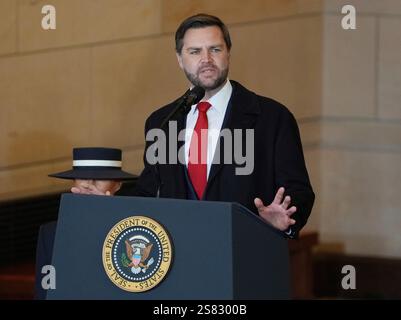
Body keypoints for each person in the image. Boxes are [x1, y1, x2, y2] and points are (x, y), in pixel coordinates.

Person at [73, 14, 315, 240]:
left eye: (215, 49)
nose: (206, 60)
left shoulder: (272, 117)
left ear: (228, 53)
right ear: (180, 59)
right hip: (178, 260)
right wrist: (106, 206)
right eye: (195, 51)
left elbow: (298, 191)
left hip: (246, 253)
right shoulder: (162, 122)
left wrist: (283, 220)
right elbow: (148, 195)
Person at [34, 147, 137, 299]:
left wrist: (111, 217)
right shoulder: (51, 232)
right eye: (82, 177)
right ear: (74, 181)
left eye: (101, 178)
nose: (88, 184)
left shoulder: (134, 232)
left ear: (118, 184)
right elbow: (45, 291)